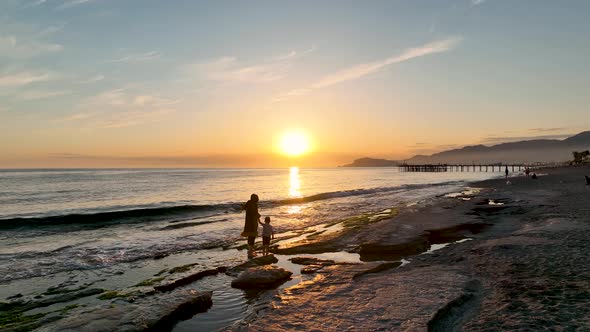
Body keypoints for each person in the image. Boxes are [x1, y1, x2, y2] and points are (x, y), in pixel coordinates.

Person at [241, 194, 260, 258]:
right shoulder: (254, 204)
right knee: (252, 237)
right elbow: (255, 214)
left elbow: (243, 208)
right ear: (255, 199)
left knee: (250, 237)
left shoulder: (248, 203)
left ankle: (249, 251)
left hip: (248, 223)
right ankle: (250, 253)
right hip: (253, 223)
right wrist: (259, 216)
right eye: (257, 198)